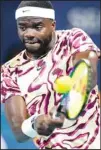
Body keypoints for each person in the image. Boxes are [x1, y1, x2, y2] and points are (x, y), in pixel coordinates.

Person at [1, 1, 100, 149]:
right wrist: (36, 123)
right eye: (22, 27)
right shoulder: (9, 70)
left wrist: (69, 102)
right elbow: (18, 131)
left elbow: (87, 68)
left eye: (37, 26)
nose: (28, 33)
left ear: (52, 24)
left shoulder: (73, 38)